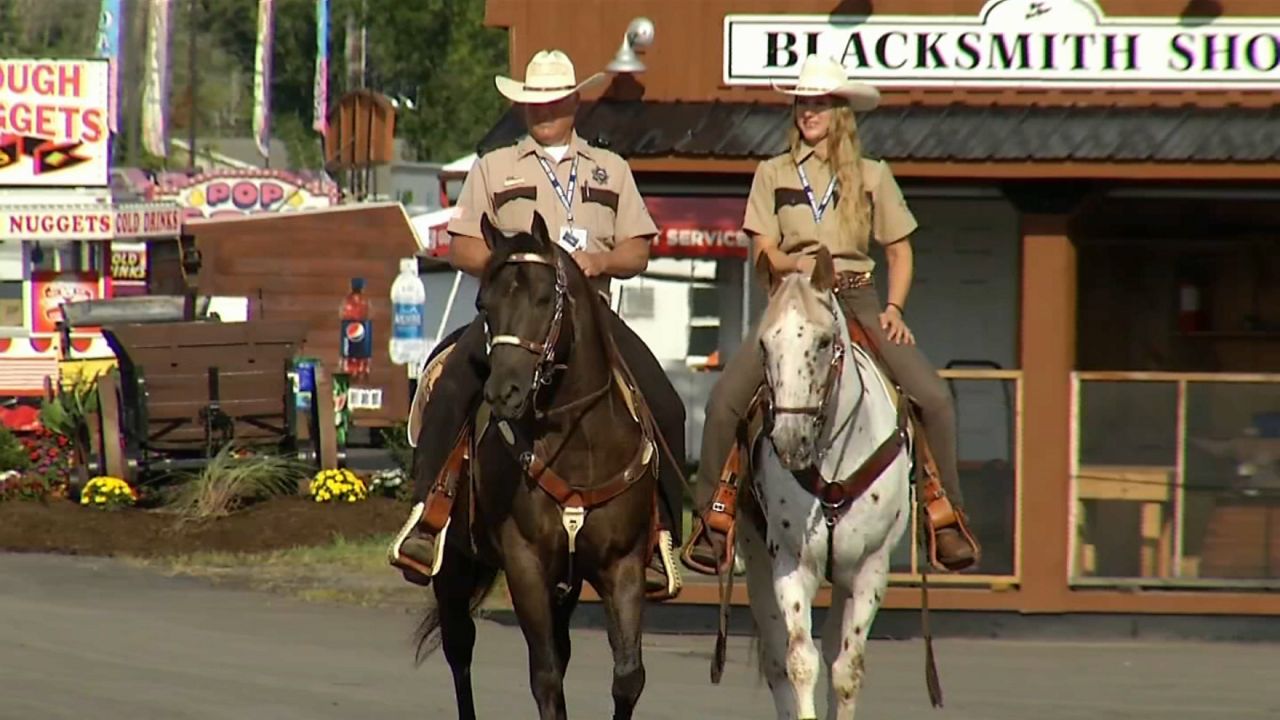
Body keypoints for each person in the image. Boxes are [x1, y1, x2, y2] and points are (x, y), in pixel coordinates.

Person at [388, 49, 686, 601]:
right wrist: (510, 274)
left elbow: (639, 249)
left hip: (591, 319)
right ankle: (426, 519)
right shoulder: (493, 167)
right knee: (450, 386)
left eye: (553, 101)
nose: (543, 110)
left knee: (666, 404)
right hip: (515, 316)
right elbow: (461, 245)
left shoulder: (610, 169)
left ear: (574, 101)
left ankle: (661, 539)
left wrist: (599, 262)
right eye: (533, 102)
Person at [681, 54, 981, 576]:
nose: (808, 112)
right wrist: (791, 262)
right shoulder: (771, 172)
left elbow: (900, 251)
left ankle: (945, 513)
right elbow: (761, 248)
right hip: (793, 298)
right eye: (802, 102)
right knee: (727, 398)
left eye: (818, 103)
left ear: (840, 110)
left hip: (857, 295)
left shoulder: (871, 175)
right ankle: (713, 517)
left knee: (932, 395)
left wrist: (894, 308)